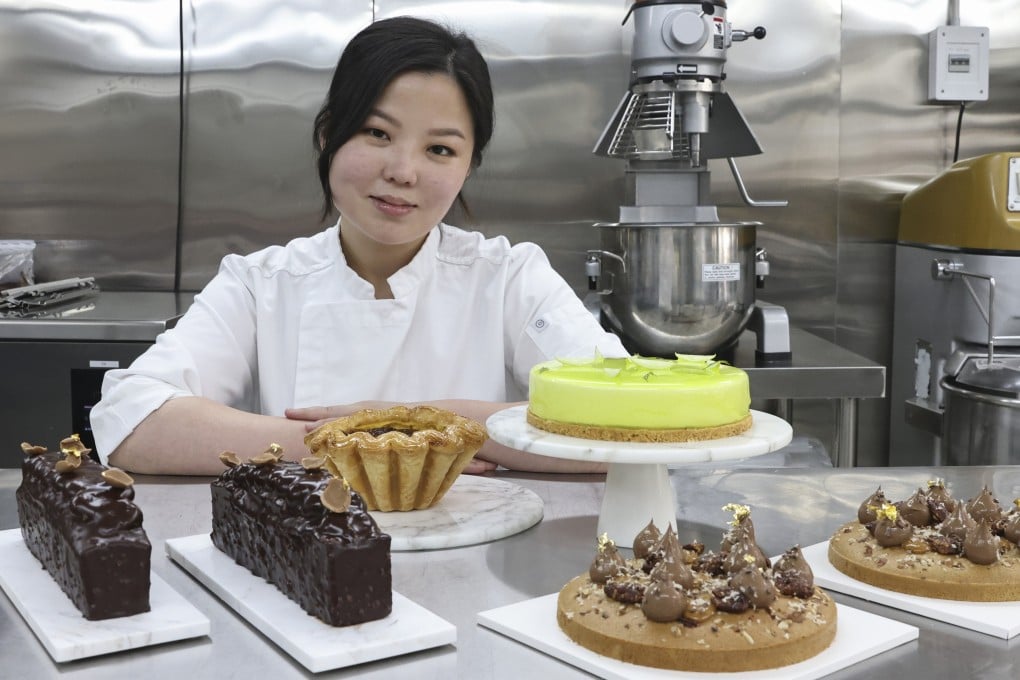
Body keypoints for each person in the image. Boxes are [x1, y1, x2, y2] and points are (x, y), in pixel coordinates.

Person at [90, 16, 626, 476]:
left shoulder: (509, 278)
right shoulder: (260, 285)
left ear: (468, 166)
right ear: (329, 136)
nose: (402, 171)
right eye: (376, 133)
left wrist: (430, 424)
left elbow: (631, 421)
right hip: (294, 570)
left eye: (439, 148)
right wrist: (362, 440)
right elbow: (132, 421)